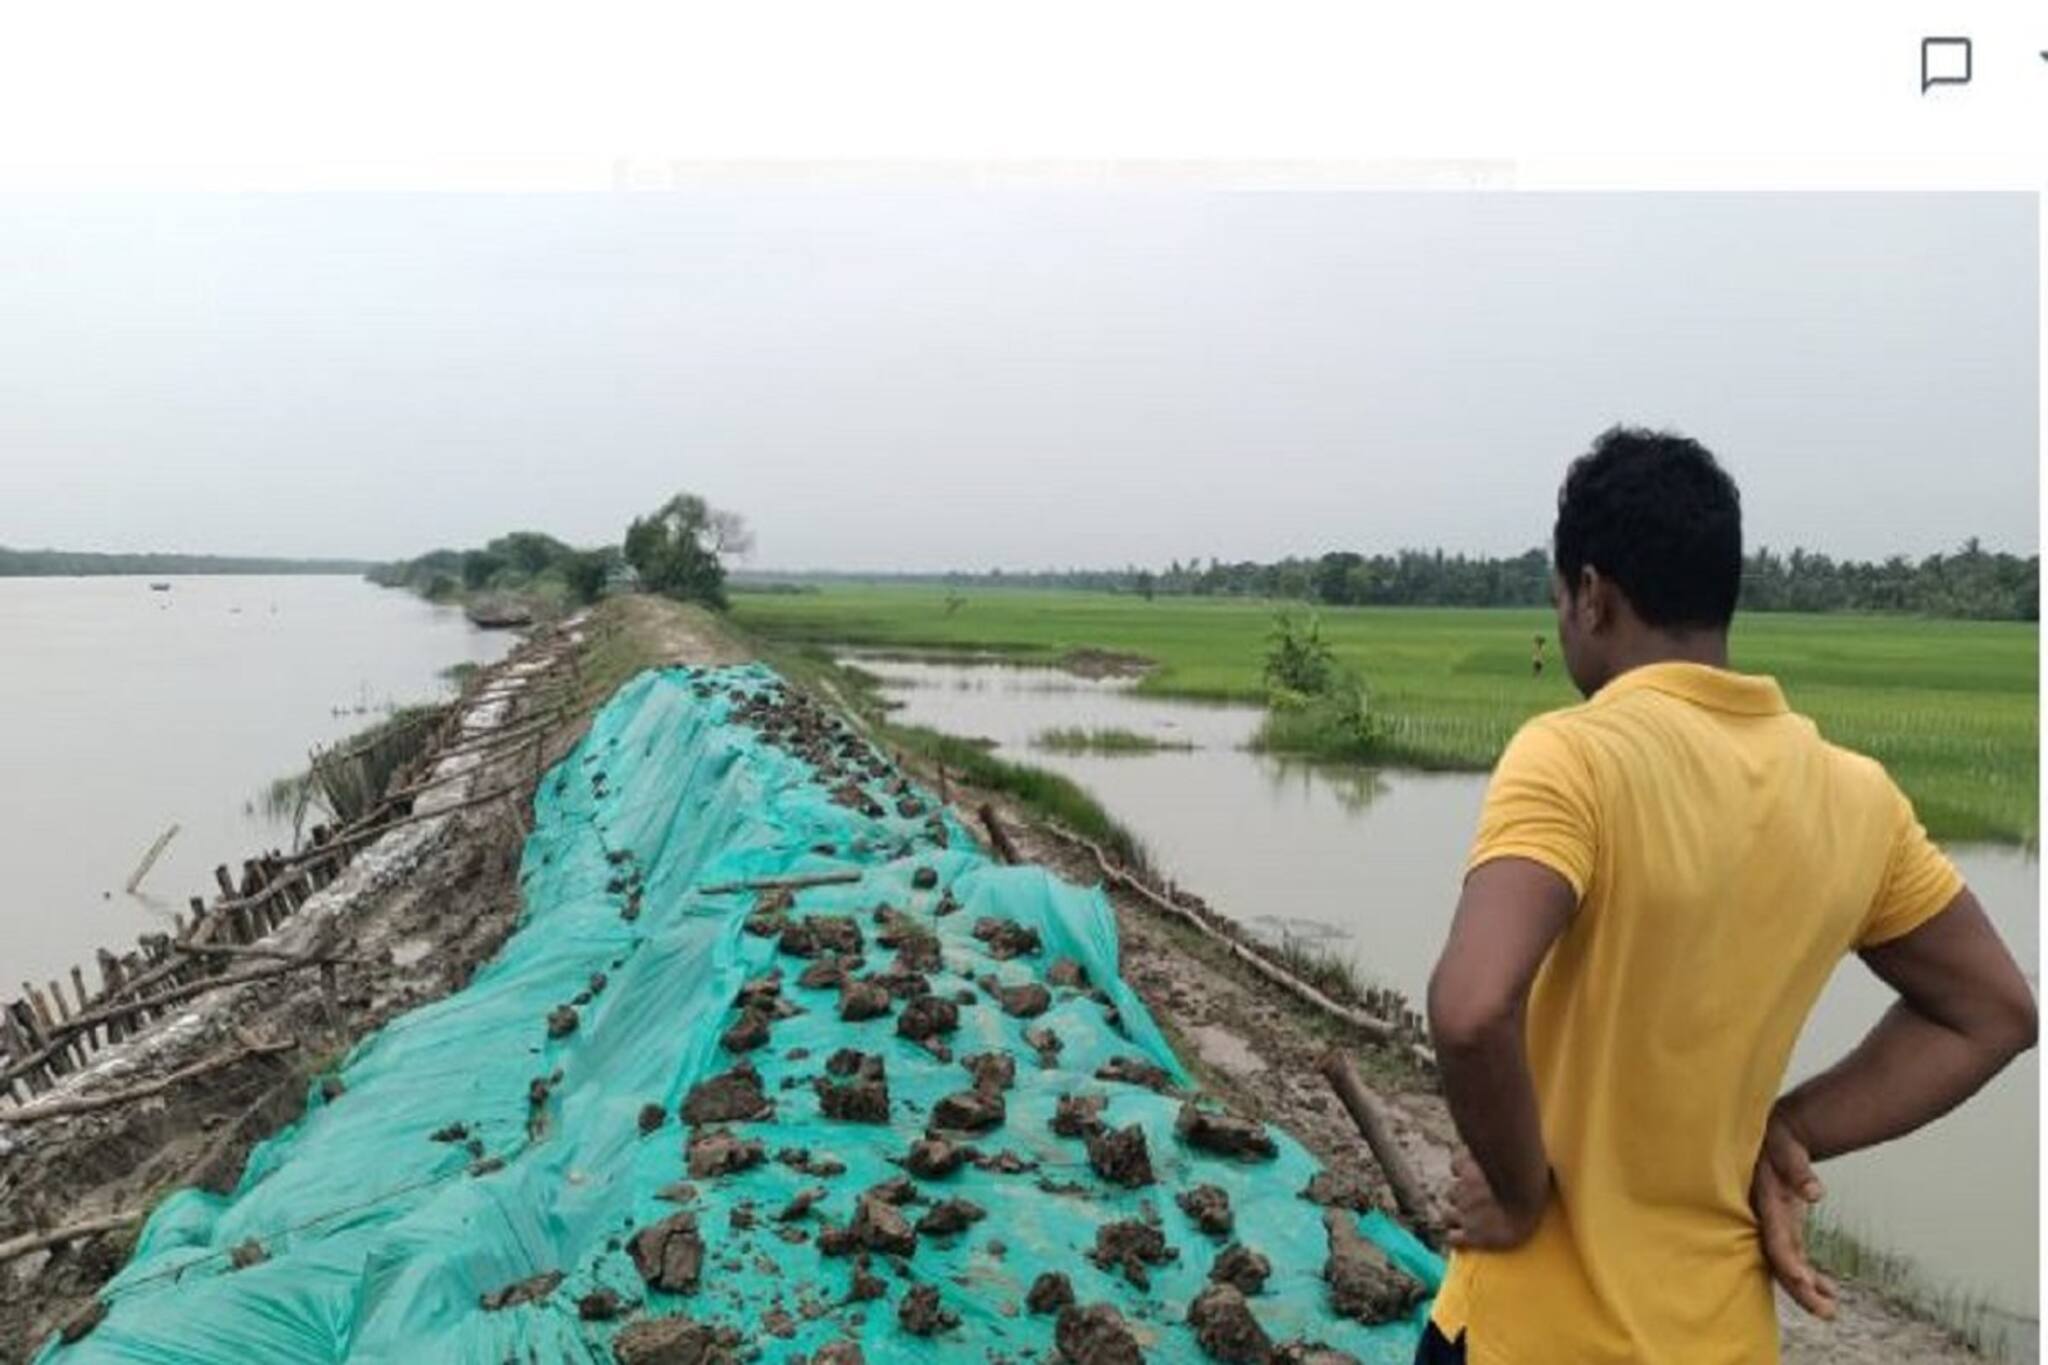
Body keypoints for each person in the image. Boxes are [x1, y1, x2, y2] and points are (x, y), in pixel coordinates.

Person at [1416, 427, 2035, 1365]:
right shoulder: (1856, 796)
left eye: (1561, 602)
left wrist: (1517, 1189)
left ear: (1592, 594)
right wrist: (1788, 1126)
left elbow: (1469, 1008)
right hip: (1722, 1338)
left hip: (1533, 1334)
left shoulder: (1577, 754)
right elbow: (1995, 1011)